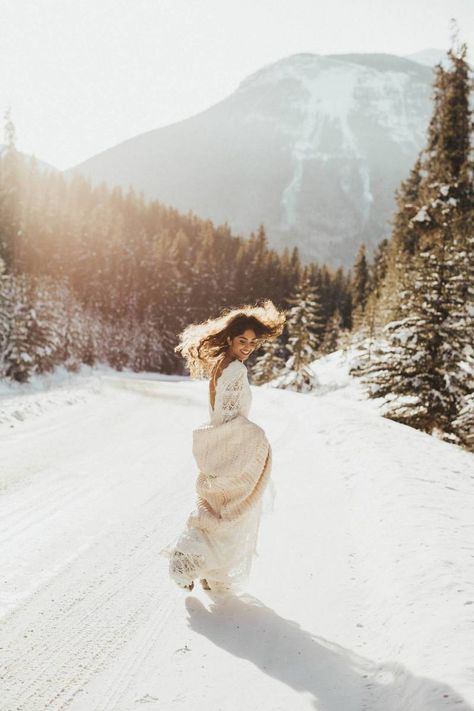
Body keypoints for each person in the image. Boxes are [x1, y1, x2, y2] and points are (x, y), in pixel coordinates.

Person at [160, 299, 286, 595]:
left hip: (220, 442)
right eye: (242, 340)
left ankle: (203, 569)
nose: (247, 347)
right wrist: (257, 437)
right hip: (230, 447)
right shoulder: (235, 371)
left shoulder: (224, 364)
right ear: (230, 339)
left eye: (253, 342)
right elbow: (230, 416)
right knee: (231, 516)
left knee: (217, 511)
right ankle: (188, 563)